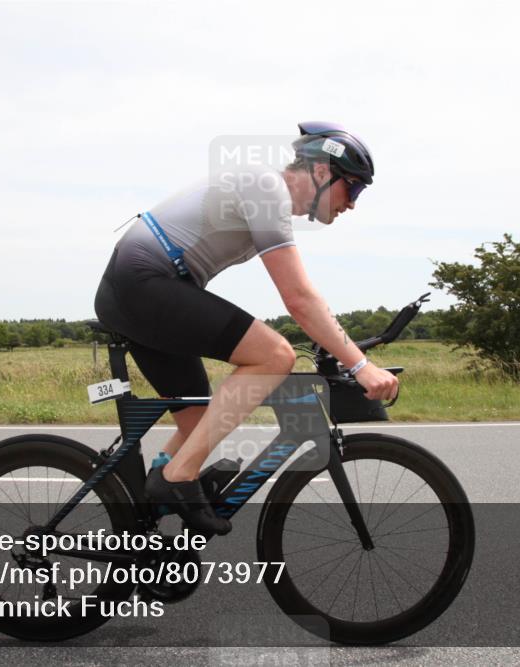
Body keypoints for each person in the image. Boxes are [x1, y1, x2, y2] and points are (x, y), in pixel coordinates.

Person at [93, 122, 399, 535]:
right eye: (355, 189)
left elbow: (299, 300)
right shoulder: (267, 189)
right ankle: (176, 478)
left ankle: (156, 497)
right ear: (324, 172)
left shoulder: (268, 200)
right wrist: (360, 365)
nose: (353, 204)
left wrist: (341, 346)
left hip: (147, 289)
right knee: (274, 355)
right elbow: (300, 300)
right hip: (141, 282)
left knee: (200, 423)